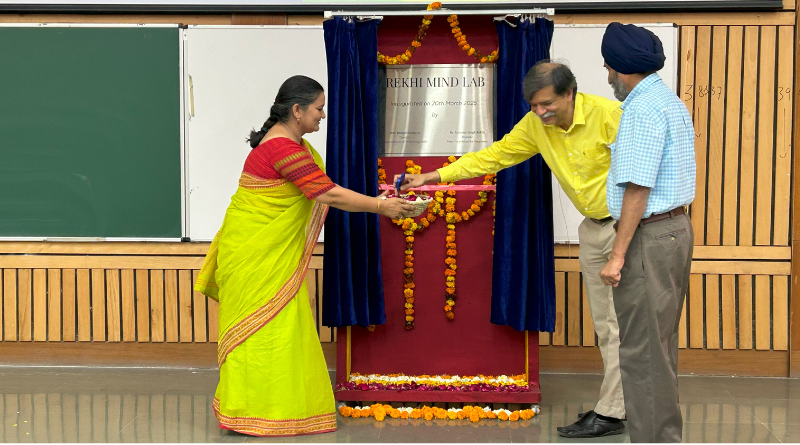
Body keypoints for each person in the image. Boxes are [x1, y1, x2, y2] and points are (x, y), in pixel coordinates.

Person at [398, 61, 627, 438]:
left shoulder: (610, 116)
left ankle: (617, 409)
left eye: (547, 103)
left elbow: (644, 175)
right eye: (534, 106)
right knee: (606, 326)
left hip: (628, 228)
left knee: (628, 326)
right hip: (593, 230)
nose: (540, 112)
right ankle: (615, 409)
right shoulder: (536, 125)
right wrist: (433, 176)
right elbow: (495, 156)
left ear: (570, 93)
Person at [194, 75, 413, 437]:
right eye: (318, 108)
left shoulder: (289, 145)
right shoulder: (281, 149)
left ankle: (275, 411)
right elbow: (328, 194)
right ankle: (251, 413)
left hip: (263, 254)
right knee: (261, 334)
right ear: (297, 111)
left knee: (281, 329)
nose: (322, 115)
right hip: (255, 255)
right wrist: (382, 206)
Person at [598, 23, 695, 443]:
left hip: (648, 238)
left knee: (642, 353)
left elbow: (638, 187)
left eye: (607, 66)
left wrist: (617, 254)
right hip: (674, 230)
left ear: (621, 69)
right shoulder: (669, 101)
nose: (606, 76)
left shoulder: (640, 109)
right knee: (659, 348)